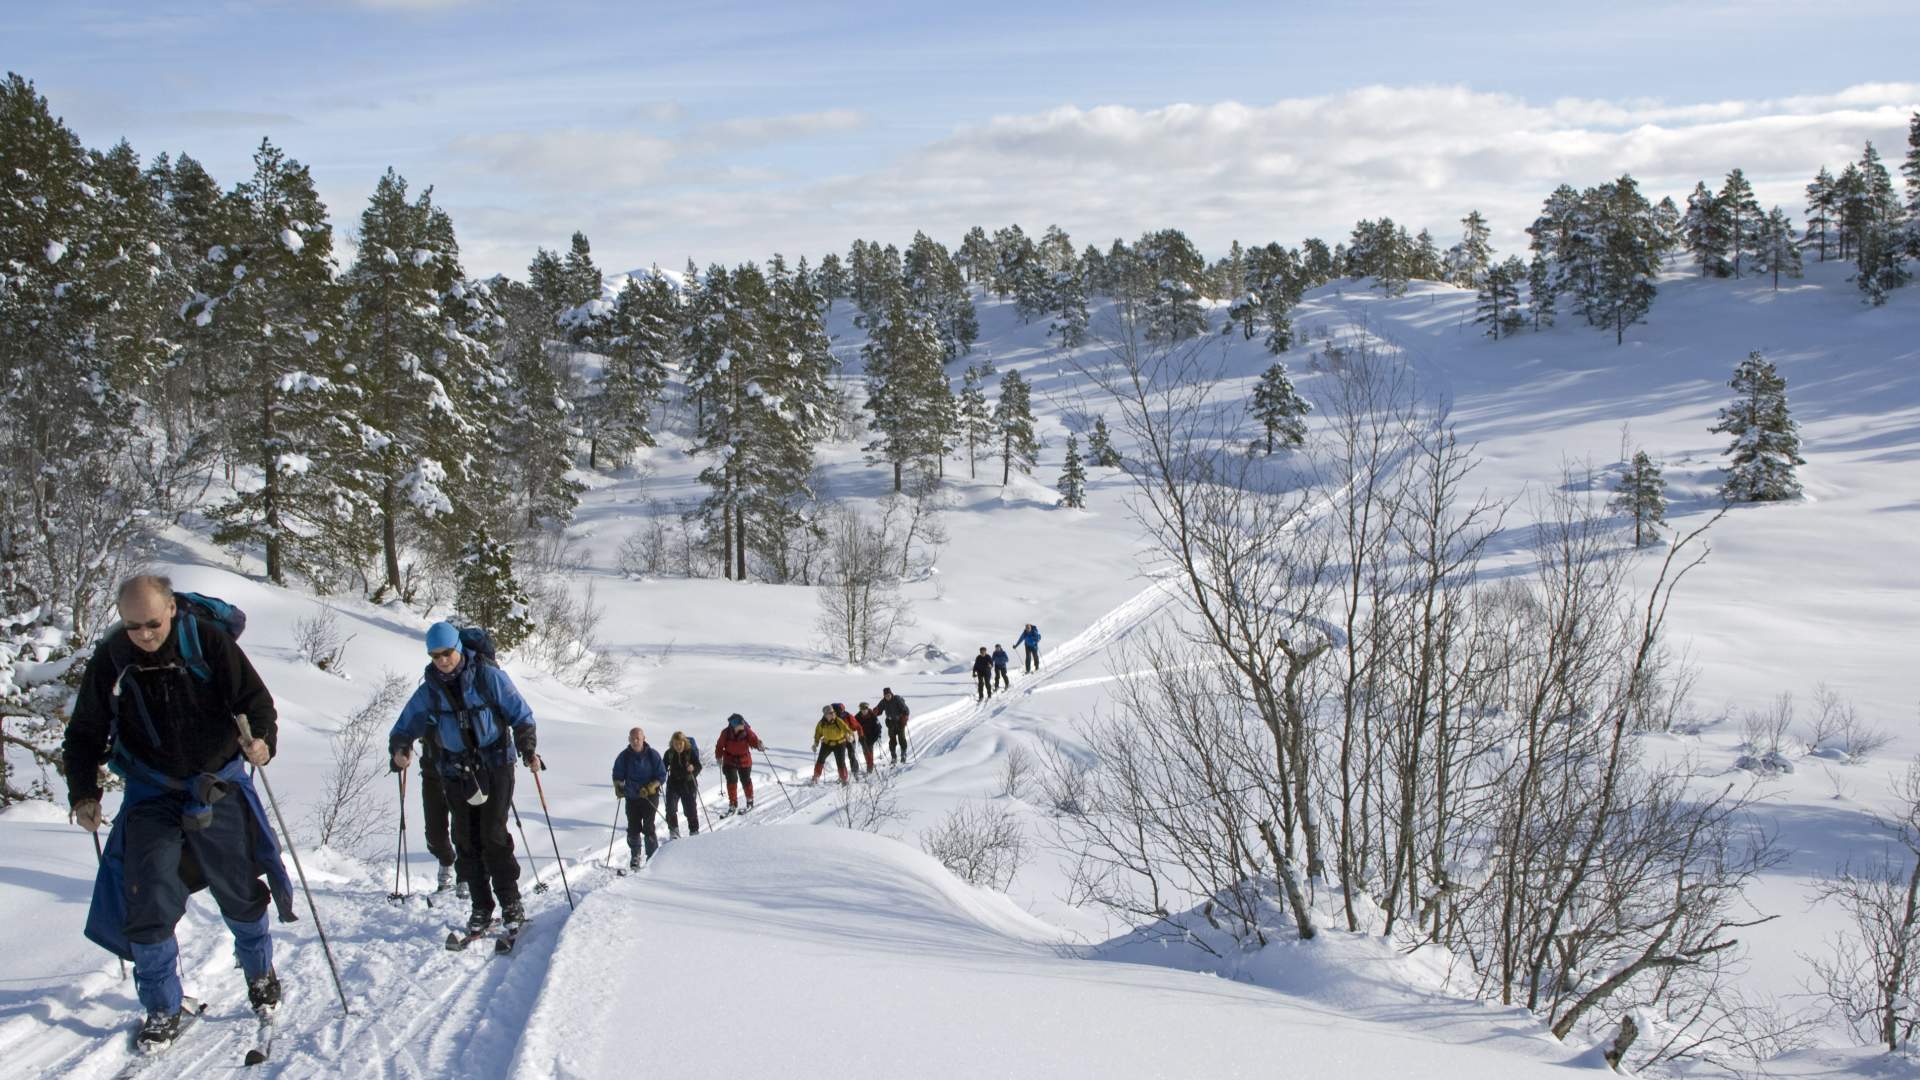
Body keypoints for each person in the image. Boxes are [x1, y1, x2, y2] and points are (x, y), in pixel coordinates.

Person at [62, 575, 294, 1052]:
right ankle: (162, 1007)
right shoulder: (113, 658)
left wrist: (262, 742)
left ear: (171, 609)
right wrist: (84, 793)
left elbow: (256, 702)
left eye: (152, 623)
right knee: (146, 897)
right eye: (133, 626)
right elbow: (85, 731)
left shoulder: (206, 641)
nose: (144, 634)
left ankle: (259, 974)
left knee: (239, 888)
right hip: (152, 790)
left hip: (217, 782)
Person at [390, 622, 541, 938]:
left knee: (493, 835)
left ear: (458, 648)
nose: (442, 660)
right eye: (436, 655)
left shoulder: (487, 676)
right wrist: (401, 748)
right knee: (466, 840)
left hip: (496, 764)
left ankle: (511, 903)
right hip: (456, 771)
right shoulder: (430, 688)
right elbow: (406, 725)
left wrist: (528, 748)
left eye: (447, 653)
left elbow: (521, 714)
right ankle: (481, 907)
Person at [415, 734, 464, 897]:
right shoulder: (427, 708)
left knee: (463, 829)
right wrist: (401, 747)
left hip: (461, 773)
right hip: (431, 774)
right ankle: (446, 860)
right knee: (434, 833)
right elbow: (407, 726)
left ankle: (466, 876)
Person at [611, 727, 665, 869]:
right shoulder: (624, 756)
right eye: (632, 738)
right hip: (632, 797)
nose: (635, 741)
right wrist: (618, 786)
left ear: (643, 739)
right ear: (629, 739)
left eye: (638, 738)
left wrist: (651, 786)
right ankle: (635, 855)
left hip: (649, 797)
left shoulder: (653, 755)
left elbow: (661, 775)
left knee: (648, 826)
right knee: (633, 828)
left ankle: (652, 857)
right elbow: (617, 774)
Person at [714, 713, 764, 816]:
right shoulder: (726, 733)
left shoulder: (747, 731)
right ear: (733, 725)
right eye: (740, 724)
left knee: (745, 780)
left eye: (742, 724)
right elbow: (719, 746)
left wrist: (759, 745)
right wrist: (719, 757)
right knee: (731, 781)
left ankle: (749, 801)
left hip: (744, 759)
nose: (742, 726)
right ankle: (733, 804)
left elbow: (754, 740)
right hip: (729, 759)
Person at [661, 730, 703, 839]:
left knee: (690, 809)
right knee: (670, 808)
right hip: (673, 784)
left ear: (684, 742)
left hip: (688, 784)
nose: (678, 746)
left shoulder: (690, 752)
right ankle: (674, 831)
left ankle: (694, 831)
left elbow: (698, 766)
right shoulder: (669, 753)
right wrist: (658, 779)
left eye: (680, 743)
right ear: (672, 743)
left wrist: (693, 768)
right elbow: (662, 768)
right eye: (675, 744)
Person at [810, 704, 857, 785]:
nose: (833, 714)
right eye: (830, 713)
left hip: (840, 744)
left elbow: (847, 729)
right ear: (825, 715)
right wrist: (815, 744)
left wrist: (850, 736)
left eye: (833, 712)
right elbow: (818, 734)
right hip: (826, 744)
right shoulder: (821, 723)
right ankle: (816, 777)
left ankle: (844, 779)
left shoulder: (838, 721)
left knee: (840, 763)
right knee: (820, 760)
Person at [878, 688, 910, 765]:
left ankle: (903, 755)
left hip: (900, 722)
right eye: (886, 696)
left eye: (888, 695)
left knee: (901, 738)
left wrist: (904, 718)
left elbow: (906, 710)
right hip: (891, 723)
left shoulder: (897, 699)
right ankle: (893, 757)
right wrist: (875, 712)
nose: (887, 697)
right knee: (892, 740)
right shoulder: (883, 702)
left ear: (891, 694)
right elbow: (878, 710)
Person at [833, 702, 863, 777]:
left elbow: (857, 726)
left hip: (849, 739)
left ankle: (855, 771)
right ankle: (843, 775)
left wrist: (861, 736)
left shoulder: (848, 716)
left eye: (834, 710)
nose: (833, 712)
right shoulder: (832, 718)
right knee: (841, 759)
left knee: (851, 755)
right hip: (839, 740)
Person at [853, 702, 882, 773]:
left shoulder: (873, 715)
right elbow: (853, 725)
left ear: (867, 708)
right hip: (863, 737)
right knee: (866, 751)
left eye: (865, 709)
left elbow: (878, 727)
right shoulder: (857, 716)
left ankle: (870, 766)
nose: (863, 711)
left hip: (872, 736)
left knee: (869, 751)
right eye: (862, 709)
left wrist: (878, 735)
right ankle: (870, 765)